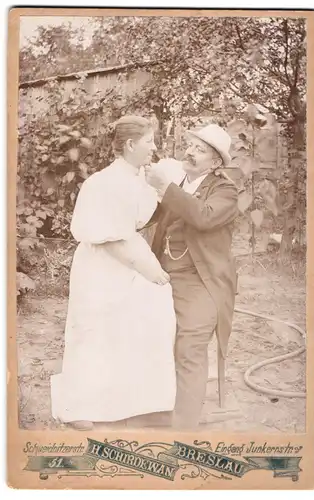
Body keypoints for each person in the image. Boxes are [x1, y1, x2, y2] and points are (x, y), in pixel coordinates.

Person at [51, 115, 177, 430]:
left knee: (143, 321)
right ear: (131, 144)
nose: (154, 148)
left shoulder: (138, 179)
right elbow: (108, 240)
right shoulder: (101, 183)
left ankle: (136, 403)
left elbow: (140, 221)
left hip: (130, 255)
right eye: (149, 141)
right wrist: (147, 267)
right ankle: (78, 406)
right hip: (102, 264)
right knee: (93, 331)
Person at [145, 123, 239, 429]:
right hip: (162, 274)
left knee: (189, 348)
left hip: (202, 281)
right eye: (191, 146)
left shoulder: (225, 190)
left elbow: (204, 216)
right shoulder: (179, 182)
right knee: (149, 338)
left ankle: (182, 431)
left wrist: (167, 189)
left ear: (215, 163)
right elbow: (150, 219)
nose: (190, 152)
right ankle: (155, 408)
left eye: (200, 150)